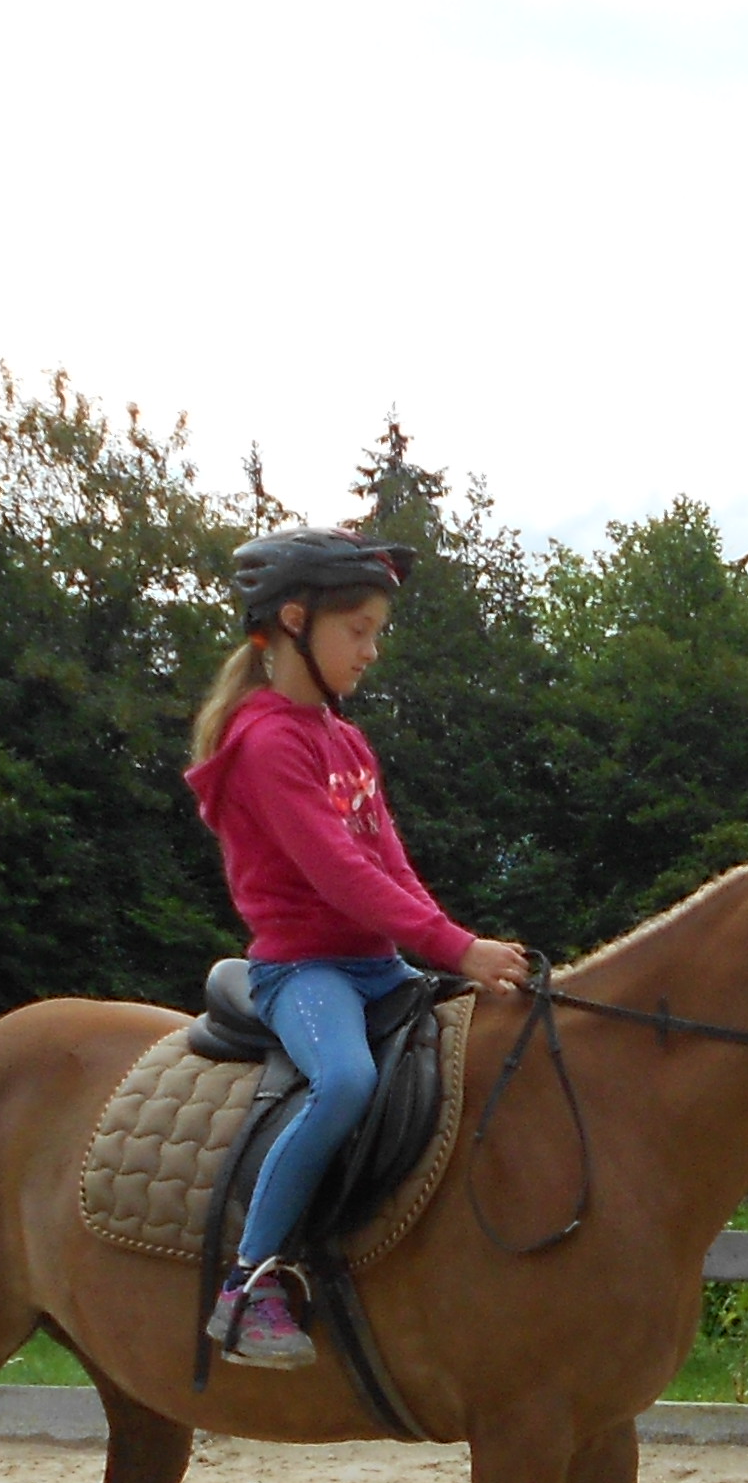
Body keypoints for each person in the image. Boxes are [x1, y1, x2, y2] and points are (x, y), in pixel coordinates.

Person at [182, 528, 530, 1367]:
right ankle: (247, 1284)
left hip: (378, 965)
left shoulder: (344, 738)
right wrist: (458, 949)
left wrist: (454, 947)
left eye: (377, 632)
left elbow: (389, 863)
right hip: (304, 969)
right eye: (359, 630)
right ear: (294, 622)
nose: (372, 650)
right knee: (344, 1082)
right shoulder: (266, 743)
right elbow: (338, 875)